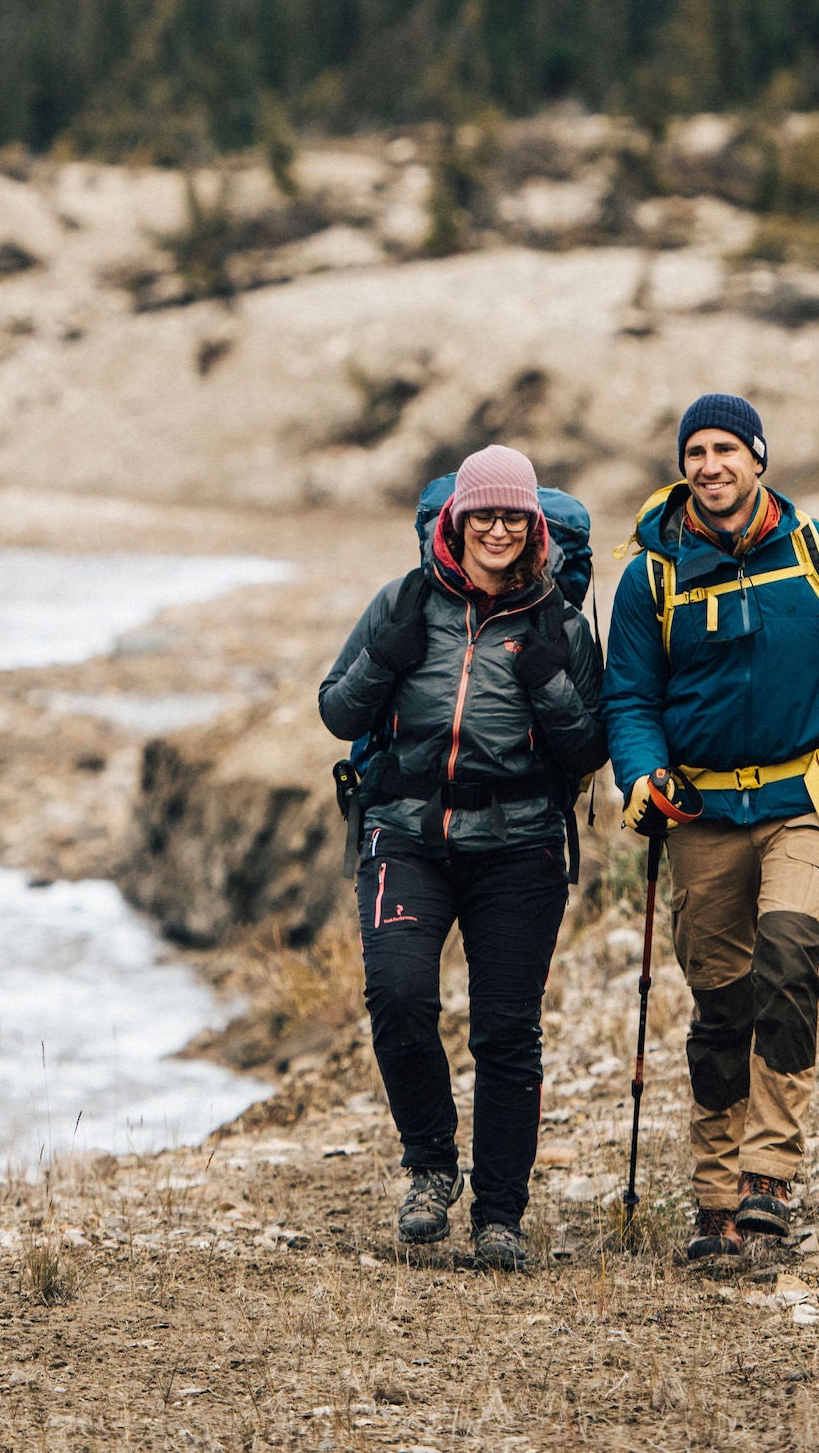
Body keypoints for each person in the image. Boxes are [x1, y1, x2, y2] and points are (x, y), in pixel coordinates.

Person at [602, 393, 819, 1262]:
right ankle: (714, 1200)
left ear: (759, 457)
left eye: (725, 450)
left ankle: (768, 1181)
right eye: (695, 452)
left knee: (788, 964)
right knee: (721, 1007)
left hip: (808, 803)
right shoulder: (650, 575)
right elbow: (628, 700)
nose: (709, 466)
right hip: (702, 813)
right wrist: (640, 774)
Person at [317, 443, 607, 1270]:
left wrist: (552, 682)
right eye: (484, 513)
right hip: (405, 833)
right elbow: (338, 711)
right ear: (456, 519)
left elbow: (588, 750)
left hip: (518, 849)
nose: (499, 529)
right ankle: (432, 1167)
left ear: (534, 525)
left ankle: (500, 1217)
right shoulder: (403, 601)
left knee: (507, 1031)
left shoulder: (560, 624)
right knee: (399, 997)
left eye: (515, 516)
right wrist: (387, 654)